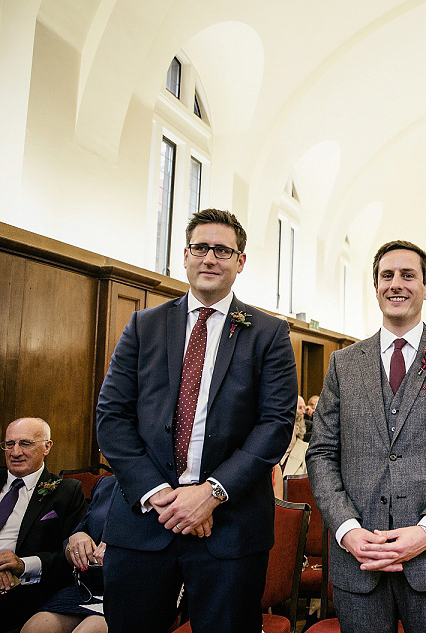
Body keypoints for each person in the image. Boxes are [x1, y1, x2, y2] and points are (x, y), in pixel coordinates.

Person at [96, 209, 299, 633]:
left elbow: (275, 424)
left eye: (222, 250)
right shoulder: (143, 325)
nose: (210, 258)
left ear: (240, 261)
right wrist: (159, 494)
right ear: (185, 256)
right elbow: (112, 416)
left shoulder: (268, 333)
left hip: (229, 530)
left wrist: (211, 493)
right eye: (200, 248)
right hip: (143, 523)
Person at [306, 240, 426, 633]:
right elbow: (321, 452)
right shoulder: (343, 363)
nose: (396, 284)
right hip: (359, 559)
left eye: (408, 275)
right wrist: (346, 529)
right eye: (386, 275)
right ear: (375, 287)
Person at [0, 418, 87, 629]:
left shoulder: (66, 492)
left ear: (47, 446)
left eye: (25, 444)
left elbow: (67, 556)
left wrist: (23, 565)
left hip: (23, 591)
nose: (15, 452)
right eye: (9, 444)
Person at [22, 476, 118, 633]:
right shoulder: (106, 484)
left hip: (132, 588)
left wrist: (124, 552)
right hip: (89, 586)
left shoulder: (164, 489)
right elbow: (78, 533)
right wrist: (77, 538)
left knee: (88, 631)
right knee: (34, 628)